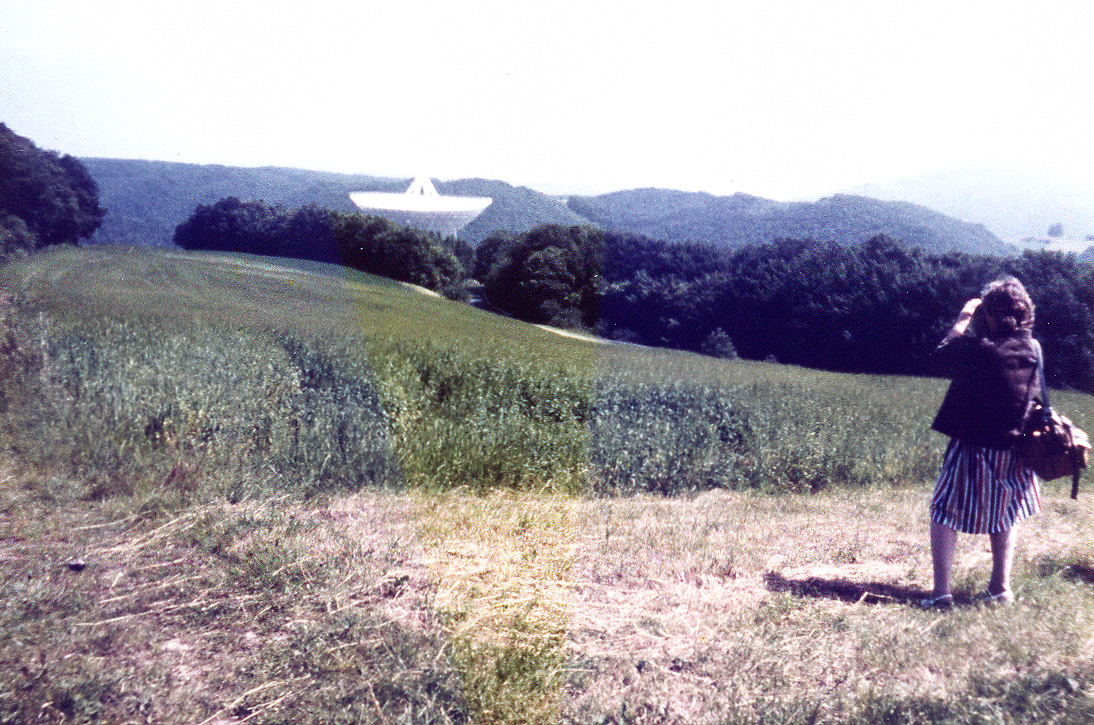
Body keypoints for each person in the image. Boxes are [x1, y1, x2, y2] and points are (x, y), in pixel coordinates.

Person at [918, 276, 1042, 609]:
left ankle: (942, 594)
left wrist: (962, 319)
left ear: (988, 315)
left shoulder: (980, 351)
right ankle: (1000, 589)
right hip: (1016, 450)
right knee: (1006, 514)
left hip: (973, 447)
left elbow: (942, 355)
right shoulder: (1033, 348)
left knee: (944, 511)